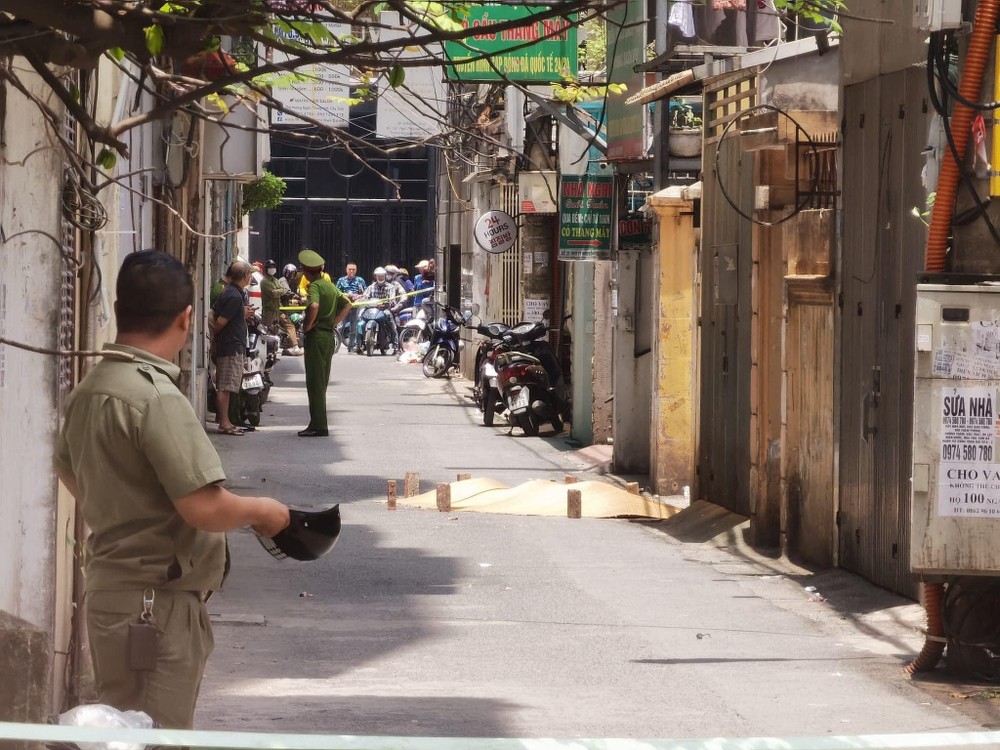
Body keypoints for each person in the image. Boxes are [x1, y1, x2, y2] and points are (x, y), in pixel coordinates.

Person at [54, 249, 290, 730]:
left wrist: (125, 510)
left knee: (121, 734)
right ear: (186, 319)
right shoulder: (156, 397)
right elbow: (204, 506)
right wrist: (266, 511)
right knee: (154, 736)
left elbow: (69, 470)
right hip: (155, 602)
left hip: (114, 593)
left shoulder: (91, 389)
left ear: (120, 311)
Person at [299, 248, 352, 437]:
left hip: (317, 336)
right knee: (322, 381)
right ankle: (317, 423)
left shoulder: (314, 286)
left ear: (306, 271)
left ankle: (318, 425)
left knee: (315, 382)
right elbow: (347, 304)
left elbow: (313, 305)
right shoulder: (330, 285)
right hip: (328, 336)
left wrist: (307, 326)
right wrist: (334, 322)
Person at [211, 261, 254, 436]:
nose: (250, 277)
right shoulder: (234, 296)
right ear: (244, 277)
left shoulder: (232, 292)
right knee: (225, 386)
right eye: (249, 274)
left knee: (228, 386)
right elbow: (220, 322)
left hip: (231, 343)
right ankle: (224, 423)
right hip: (230, 345)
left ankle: (226, 421)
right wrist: (216, 337)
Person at [261, 260, 303, 356]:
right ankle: (295, 347)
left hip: (277, 309)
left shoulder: (275, 280)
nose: (291, 276)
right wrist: (294, 296)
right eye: (290, 273)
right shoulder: (268, 281)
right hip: (271, 310)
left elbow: (281, 291)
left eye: (293, 274)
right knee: (288, 326)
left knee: (273, 331)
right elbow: (279, 292)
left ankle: (273, 352)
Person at [362, 266, 406, 353]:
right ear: (375, 276)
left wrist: (391, 304)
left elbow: (393, 298)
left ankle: (396, 346)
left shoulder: (391, 286)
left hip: (385, 310)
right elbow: (365, 296)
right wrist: (364, 301)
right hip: (372, 310)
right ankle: (359, 344)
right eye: (378, 276)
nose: (380, 277)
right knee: (360, 319)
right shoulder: (371, 287)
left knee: (393, 325)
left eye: (382, 275)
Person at [335, 262, 367, 353]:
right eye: (350, 269)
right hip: (344, 306)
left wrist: (358, 296)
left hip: (355, 306)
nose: (351, 271)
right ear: (346, 270)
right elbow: (336, 292)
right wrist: (347, 295)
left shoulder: (360, 280)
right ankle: (336, 344)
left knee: (354, 327)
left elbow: (366, 293)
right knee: (340, 326)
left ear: (356, 270)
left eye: (353, 269)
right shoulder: (341, 280)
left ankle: (351, 346)